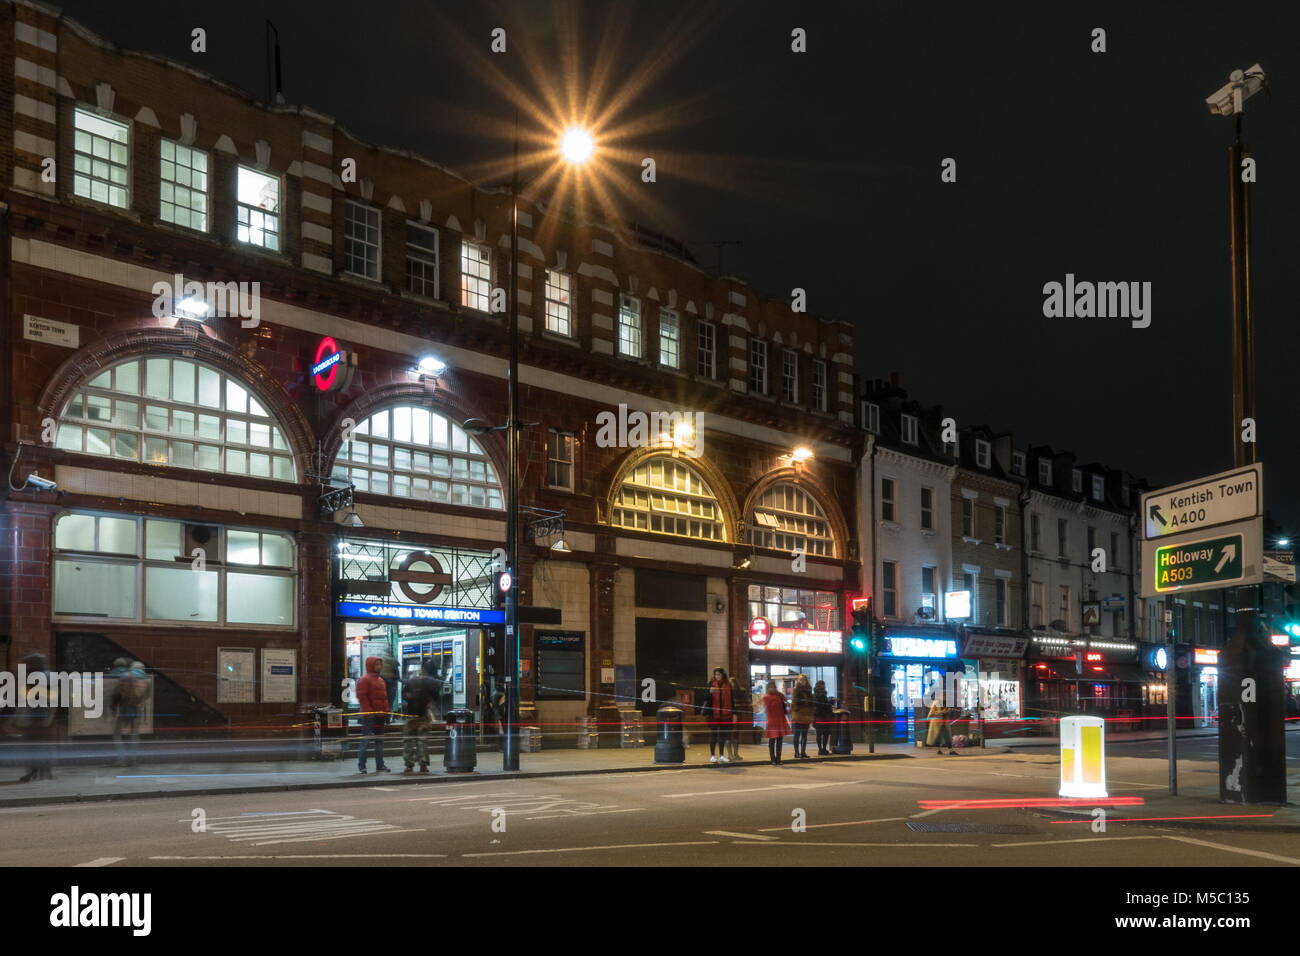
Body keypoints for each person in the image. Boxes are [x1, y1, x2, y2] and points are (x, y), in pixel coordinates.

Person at [16, 653, 56, 782]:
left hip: (37, 719)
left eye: (27, 664)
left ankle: (35, 772)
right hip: (42, 718)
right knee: (41, 747)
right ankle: (43, 772)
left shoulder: (37, 677)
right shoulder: (48, 675)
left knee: (32, 747)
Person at [401, 660, 440, 774]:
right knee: (422, 741)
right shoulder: (433, 683)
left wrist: (406, 700)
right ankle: (423, 765)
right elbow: (435, 698)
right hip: (423, 716)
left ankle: (409, 765)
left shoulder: (411, 681)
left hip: (410, 715)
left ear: (423, 669)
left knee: (408, 741)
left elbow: (404, 696)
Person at [111, 658, 150, 767]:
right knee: (134, 735)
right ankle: (133, 759)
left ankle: (121, 758)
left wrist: (113, 707)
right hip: (136, 709)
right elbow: (146, 696)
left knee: (117, 734)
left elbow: (117, 693)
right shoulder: (146, 681)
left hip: (124, 708)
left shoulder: (125, 676)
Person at [355, 655, 391, 774]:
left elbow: (384, 699)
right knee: (365, 741)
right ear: (370, 665)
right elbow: (362, 697)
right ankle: (362, 766)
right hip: (370, 717)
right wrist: (369, 712)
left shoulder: (381, 680)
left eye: (380, 664)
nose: (379, 666)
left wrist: (386, 712)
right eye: (376, 664)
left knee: (379, 742)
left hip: (380, 716)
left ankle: (380, 765)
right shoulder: (364, 679)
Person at [704, 667, 733, 764]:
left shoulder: (728, 685)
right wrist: (709, 692)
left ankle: (721, 755)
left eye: (719, 674)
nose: (717, 676)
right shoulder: (711, 684)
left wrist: (734, 713)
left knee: (722, 736)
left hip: (725, 715)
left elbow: (732, 700)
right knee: (713, 735)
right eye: (716, 675)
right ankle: (712, 755)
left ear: (723, 675)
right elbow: (705, 698)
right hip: (713, 714)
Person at [763, 681, 791, 765]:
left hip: (780, 720)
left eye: (773, 687)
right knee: (772, 741)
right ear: (768, 688)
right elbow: (765, 708)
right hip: (772, 721)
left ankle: (778, 759)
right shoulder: (766, 697)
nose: (772, 689)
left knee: (779, 741)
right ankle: (773, 759)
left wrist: (787, 705)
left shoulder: (779, 695)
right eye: (770, 687)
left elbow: (787, 703)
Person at [790, 673, 815, 759]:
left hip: (806, 715)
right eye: (800, 680)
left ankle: (803, 752)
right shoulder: (796, 689)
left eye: (803, 679)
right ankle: (796, 753)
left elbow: (811, 703)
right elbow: (794, 702)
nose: (802, 681)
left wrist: (810, 711)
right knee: (797, 735)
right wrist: (799, 707)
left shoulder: (809, 690)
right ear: (798, 681)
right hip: (798, 715)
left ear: (806, 681)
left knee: (804, 735)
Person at [727, 675, 747, 760]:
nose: (732, 685)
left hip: (735, 715)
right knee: (730, 735)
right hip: (730, 715)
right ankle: (731, 754)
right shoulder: (728, 693)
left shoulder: (739, 692)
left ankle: (734, 754)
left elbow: (744, 704)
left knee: (734, 735)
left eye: (733, 683)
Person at [812, 679, 834, 755]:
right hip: (823, 717)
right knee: (825, 733)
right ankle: (823, 749)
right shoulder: (822, 694)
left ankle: (820, 749)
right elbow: (824, 706)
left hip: (817, 717)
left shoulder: (814, 694)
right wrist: (830, 702)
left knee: (819, 734)